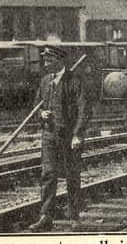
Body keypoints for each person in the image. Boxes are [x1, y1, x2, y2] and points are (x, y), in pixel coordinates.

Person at [28, 48, 93, 232]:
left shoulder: (74, 81)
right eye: (45, 61)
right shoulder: (45, 81)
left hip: (69, 137)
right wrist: (41, 114)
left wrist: (78, 134)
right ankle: (45, 217)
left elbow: (84, 109)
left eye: (49, 60)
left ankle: (74, 217)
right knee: (48, 174)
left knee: (72, 176)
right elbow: (35, 108)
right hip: (49, 136)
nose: (45, 64)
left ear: (59, 61)